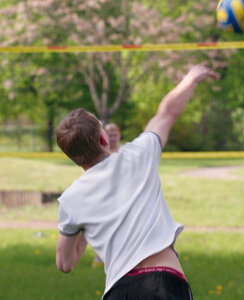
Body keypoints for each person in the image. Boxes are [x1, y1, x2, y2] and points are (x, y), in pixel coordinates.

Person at [55, 62, 219, 299]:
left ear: (71, 156)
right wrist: (191, 78)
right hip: (165, 282)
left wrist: (81, 226)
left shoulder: (71, 201)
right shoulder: (139, 155)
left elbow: (65, 263)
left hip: (120, 291)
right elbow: (167, 114)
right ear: (104, 139)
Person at [92, 123, 121, 268]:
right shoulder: (101, 153)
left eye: (115, 135)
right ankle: (99, 258)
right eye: (110, 135)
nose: (113, 138)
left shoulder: (124, 152)